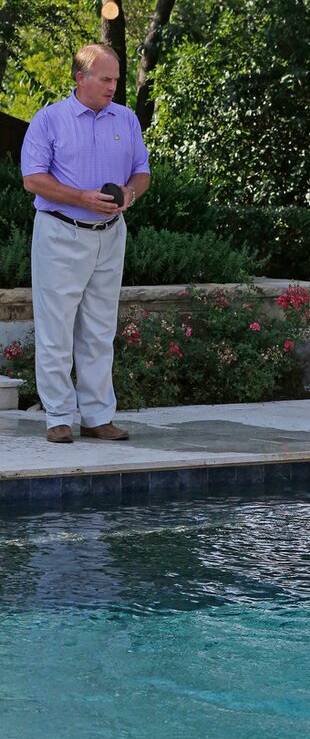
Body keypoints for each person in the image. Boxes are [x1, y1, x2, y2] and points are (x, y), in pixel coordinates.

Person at [21, 43, 150, 444]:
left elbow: (141, 172)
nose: (113, 86)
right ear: (81, 78)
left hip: (110, 237)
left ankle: (97, 416)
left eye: (116, 79)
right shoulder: (49, 120)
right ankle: (58, 416)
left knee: (98, 329)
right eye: (105, 79)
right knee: (56, 329)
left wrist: (129, 195)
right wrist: (82, 197)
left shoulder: (126, 119)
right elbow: (33, 180)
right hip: (61, 232)